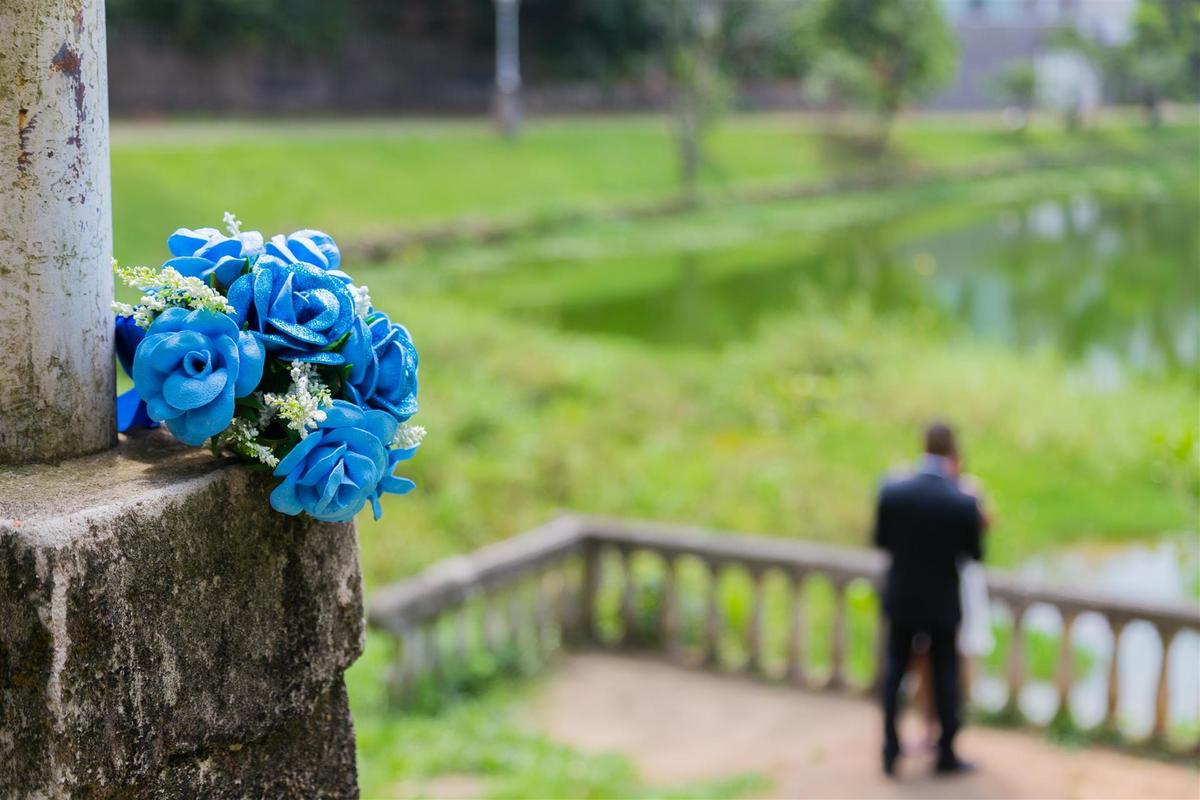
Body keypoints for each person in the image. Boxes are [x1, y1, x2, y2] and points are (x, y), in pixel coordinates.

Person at [874, 421, 984, 776]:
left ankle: (890, 749)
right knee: (946, 675)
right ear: (953, 449)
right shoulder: (963, 500)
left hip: (902, 596)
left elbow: (880, 540)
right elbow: (974, 554)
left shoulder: (892, 490)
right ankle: (946, 752)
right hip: (942, 601)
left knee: (893, 674)